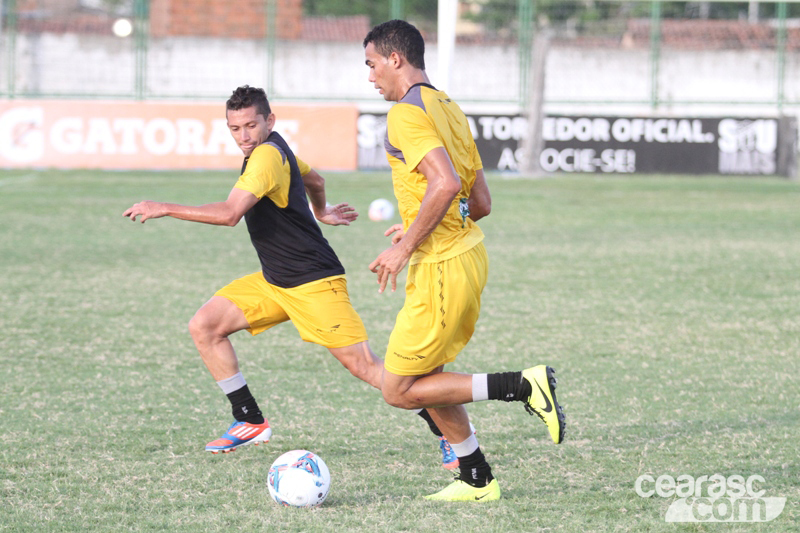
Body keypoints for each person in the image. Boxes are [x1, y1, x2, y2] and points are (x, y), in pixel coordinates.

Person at [122, 85, 455, 463]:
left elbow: (230, 214)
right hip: (275, 280)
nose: (243, 136)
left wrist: (164, 206)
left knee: (370, 370)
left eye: (251, 125)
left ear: (269, 120)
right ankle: (249, 419)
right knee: (205, 326)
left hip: (314, 282)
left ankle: (453, 435)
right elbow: (316, 181)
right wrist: (322, 210)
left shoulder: (266, 157)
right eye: (235, 128)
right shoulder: (279, 148)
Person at [363, 20, 566, 502]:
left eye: (371, 65)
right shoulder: (447, 106)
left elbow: (447, 185)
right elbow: (481, 202)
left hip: (440, 268)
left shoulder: (405, 114)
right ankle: (476, 478)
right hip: (467, 256)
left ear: (395, 59)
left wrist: (406, 244)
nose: (370, 77)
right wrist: (418, 223)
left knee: (397, 389)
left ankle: (521, 385)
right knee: (429, 379)